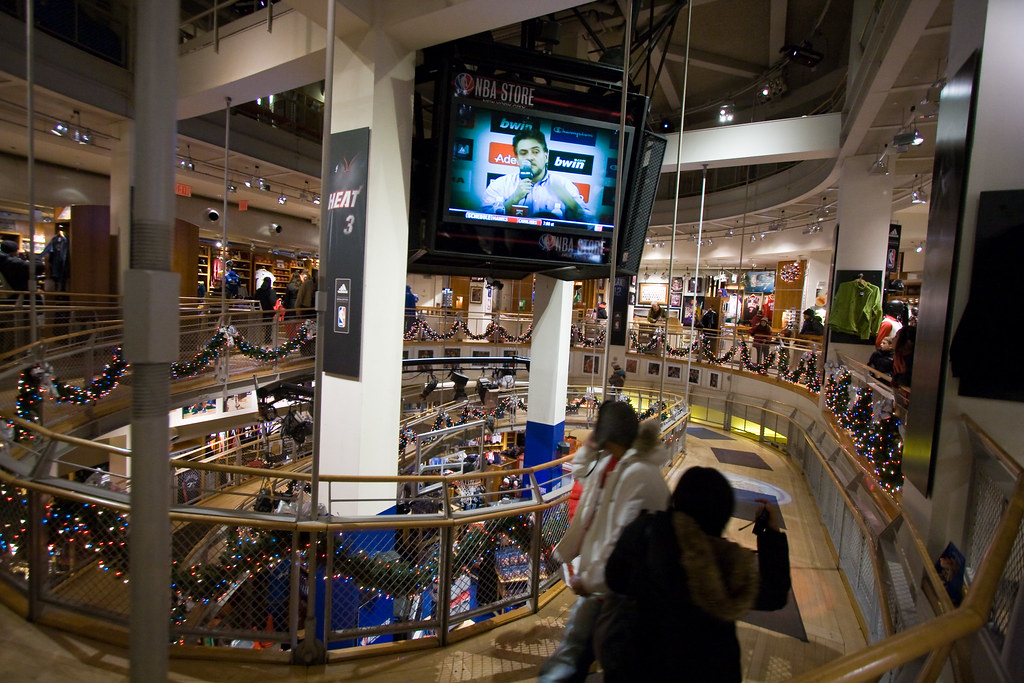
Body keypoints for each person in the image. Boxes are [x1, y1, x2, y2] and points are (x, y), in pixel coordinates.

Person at [598, 467, 791, 682]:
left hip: (641, 666)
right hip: (711, 671)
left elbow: (614, 578)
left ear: (677, 499)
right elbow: (775, 594)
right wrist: (770, 534)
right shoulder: (730, 565)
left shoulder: (649, 533)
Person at [538, 401, 669, 682]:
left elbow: (620, 538)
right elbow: (580, 470)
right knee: (578, 649)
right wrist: (590, 445)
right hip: (607, 583)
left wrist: (593, 579)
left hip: (620, 589)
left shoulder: (637, 474)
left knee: (584, 652)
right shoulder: (612, 462)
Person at [481, 129, 590, 221]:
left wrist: (570, 202)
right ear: (517, 160)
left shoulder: (564, 185)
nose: (530, 157)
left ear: (546, 157)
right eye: (523, 153)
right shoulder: (500, 184)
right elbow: (482, 218)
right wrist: (515, 198)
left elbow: (590, 222)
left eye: (535, 151)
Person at [255, 277, 277, 343]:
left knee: (258, 326)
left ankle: (257, 339)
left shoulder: (259, 290)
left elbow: (255, 299)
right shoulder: (271, 291)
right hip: (268, 311)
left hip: (259, 310)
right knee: (268, 326)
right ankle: (267, 339)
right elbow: (273, 301)